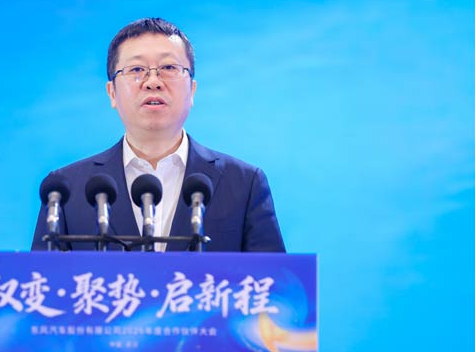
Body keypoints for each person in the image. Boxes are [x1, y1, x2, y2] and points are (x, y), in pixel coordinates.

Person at [32, 18, 285, 252]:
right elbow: (39, 281)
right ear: (112, 93)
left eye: (168, 67)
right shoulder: (65, 191)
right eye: (136, 69)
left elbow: (277, 282)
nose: (153, 81)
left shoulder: (243, 183)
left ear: (192, 90)